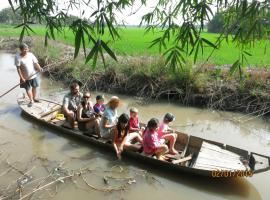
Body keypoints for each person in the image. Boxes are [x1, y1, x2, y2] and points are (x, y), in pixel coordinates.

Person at [15, 43, 43, 107]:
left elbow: (35, 63)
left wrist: (39, 68)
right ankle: (31, 100)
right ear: (21, 50)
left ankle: (34, 98)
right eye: (24, 49)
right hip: (25, 77)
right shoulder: (17, 57)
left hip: (33, 75)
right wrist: (22, 78)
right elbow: (18, 69)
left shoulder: (31, 55)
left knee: (35, 86)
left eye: (27, 49)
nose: (26, 50)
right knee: (27, 89)